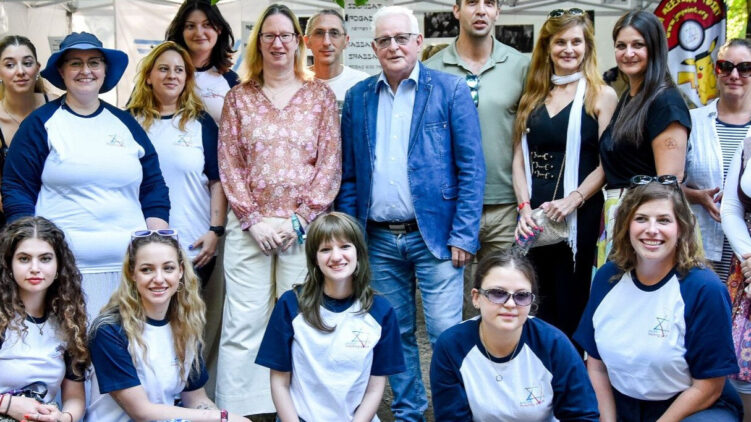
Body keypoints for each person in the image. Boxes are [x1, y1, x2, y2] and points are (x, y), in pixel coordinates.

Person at [336, 5, 485, 420]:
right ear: (373, 48)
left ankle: (455, 413)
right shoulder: (358, 97)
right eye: (384, 40)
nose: (394, 46)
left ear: (418, 42)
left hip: (436, 235)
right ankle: (409, 413)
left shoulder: (450, 90)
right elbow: (349, 175)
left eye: (402, 38)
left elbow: (472, 168)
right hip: (378, 238)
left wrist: (464, 234)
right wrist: (352, 238)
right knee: (394, 333)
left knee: (445, 334)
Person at [217, 4, 341, 417]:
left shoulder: (320, 97)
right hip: (249, 226)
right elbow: (229, 163)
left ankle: (302, 407)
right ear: (258, 43)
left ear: (298, 42)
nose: (277, 43)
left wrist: (300, 218)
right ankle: (241, 411)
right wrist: (253, 220)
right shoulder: (239, 98)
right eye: (269, 36)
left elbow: (329, 164)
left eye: (285, 35)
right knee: (244, 321)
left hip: (301, 228)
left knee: (302, 318)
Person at [1, 32, 170, 320]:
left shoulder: (126, 123)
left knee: (121, 344)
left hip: (128, 271)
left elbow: (153, 186)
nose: (86, 71)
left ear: (104, 70)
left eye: (94, 62)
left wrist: (158, 243)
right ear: (62, 71)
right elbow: (17, 188)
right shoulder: (40, 124)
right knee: (70, 344)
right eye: (75, 63)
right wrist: (31, 249)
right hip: (63, 274)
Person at [575, 177, 742, 421]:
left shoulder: (705, 289)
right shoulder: (607, 277)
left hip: (691, 406)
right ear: (626, 225)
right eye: (641, 219)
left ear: (681, 228)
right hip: (620, 403)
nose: (652, 229)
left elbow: (709, 386)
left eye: (664, 220)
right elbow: (597, 366)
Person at [511, 9, 617, 338]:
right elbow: (518, 159)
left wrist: (574, 199)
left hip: (578, 217)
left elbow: (607, 163)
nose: (568, 49)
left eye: (576, 42)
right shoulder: (532, 96)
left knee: (572, 301)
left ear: (587, 47)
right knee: (537, 301)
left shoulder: (602, 95)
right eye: (560, 42)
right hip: (535, 217)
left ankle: (572, 366)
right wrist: (524, 209)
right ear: (547, 47)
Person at [424, 0, 529, 319]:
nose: (481, 10)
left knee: (503, 304)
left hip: (505, 206)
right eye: (471, 2)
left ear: (498, 11)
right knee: (453, 312)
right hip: (451, 209)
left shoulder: (520, 65)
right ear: (456, 10)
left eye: (489, 3)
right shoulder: (433, 68)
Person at [255, 212, 405, 421]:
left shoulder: (381, 311)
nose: (336, 257)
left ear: (359, 252)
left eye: (345, 247)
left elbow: (375, 388)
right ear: (314, 259)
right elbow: (279, 383)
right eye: (325, 249)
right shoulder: (290, 305)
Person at [87, 230, 249, 422]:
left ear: (180, 271)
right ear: (132, 274)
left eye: (168, 268)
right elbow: (142, 412)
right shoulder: (109, 330)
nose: (159, 278)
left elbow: (195, 399)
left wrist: (219, 419)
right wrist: (222, 417)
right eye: (147, 269)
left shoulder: (185, 325)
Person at [430, 251, 599, 421]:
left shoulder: (553, 343)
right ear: (476, 298)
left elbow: (582, 414)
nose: (510, 304)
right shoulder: (452, 346)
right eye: (497, 293)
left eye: (522, 296)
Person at [596, 10, 690, 267]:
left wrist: (646, 231)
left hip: (647, 226)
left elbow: (668, 185)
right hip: (620, 215)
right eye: (621, 46)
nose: (628, 53)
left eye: (638, 45)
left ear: (655, 48)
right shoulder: (631, 97)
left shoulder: (665, 102)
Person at [129, 41, 226, 284]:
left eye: (179, 70)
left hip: (194, 246)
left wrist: (215, 231)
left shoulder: (201, 123)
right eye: (163, 69)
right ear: (148, 76)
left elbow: (217, 181)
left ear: (186, 78)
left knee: (189, 309)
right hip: (141, 247)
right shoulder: (129, 122)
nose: (172, 75)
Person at [0, 216, 88, 422]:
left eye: (45, 259)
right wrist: (8, 404)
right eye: (24, 259)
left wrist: (63, 418)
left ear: (59, 266)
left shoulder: (69, 321)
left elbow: (74, 397)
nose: (35, 268)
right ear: (9, 265)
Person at [686, 38, 751, 281]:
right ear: (716, 70)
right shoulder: (691, 122)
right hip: (699, 247)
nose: (734, 75)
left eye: (745, 68)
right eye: (726, 66)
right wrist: (696, 196)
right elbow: (665, 182)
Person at [0, 36, 55, 227]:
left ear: (37, 68)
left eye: (27, 63)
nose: (20, 71)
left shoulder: (58, 106)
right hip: (8, 215)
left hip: (58, 211)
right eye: (10, 65)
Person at [166, 0, 239, 123]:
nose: (199, 33)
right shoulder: (161, 75)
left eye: (207, 24)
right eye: (190, 26)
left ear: (219, 29)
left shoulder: (232, 81)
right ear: (181, 31)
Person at [303, 9, 369, 103]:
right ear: (307, 41)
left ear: (346, 41)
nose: (326, 42)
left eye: (334, 33)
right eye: (319, 33)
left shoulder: (363, 84)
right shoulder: (294, 83)